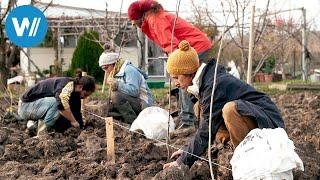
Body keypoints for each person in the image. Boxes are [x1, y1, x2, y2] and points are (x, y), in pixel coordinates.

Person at [163, 40, 285, 169]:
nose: (175, 83)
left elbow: (206, 130)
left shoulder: (214, 85)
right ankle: (231, 145)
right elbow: (206, 125)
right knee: (199, 106)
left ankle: (246, 158)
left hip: (268, 125)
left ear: (190, 72)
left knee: (230, 109)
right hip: (255, 119)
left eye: (176, 77)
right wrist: (187, 150)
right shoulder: (206, 81)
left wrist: (182, 161)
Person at [128, 0, 214, 129]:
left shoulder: (156, 20)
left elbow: (172, 44)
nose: (133, 23)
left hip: (196, 46)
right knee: (187, 82)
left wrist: (174, 65)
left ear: (139, 16)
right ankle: (188, 115)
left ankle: (188, 121)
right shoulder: (154, 18)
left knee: (184, 80)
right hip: (194, 45)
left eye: (133, 20)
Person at [18, 73, 96, 136]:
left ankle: (33, 128)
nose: (84, 97)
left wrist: (81, 127)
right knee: (56, 104)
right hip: (25, 106)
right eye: (85, 94)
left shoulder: (75, 94)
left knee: (63, 113)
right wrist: (73, 121)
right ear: (80, 87)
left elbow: (76, 112)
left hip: (36, 106)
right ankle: (42, 135)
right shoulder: (66, 85)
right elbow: (61, 105)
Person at [99, 52, 153, 124]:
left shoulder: (129, 70)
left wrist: (117, 84)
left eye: (106, 68)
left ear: (114, 64)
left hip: (143, 103)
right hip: (132, 102)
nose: (106, 71)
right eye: (103, 69)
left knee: (116, 95)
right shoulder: (116, 72)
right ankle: (124, 124)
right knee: (108, 108)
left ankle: (135, 124)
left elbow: (134, 91)